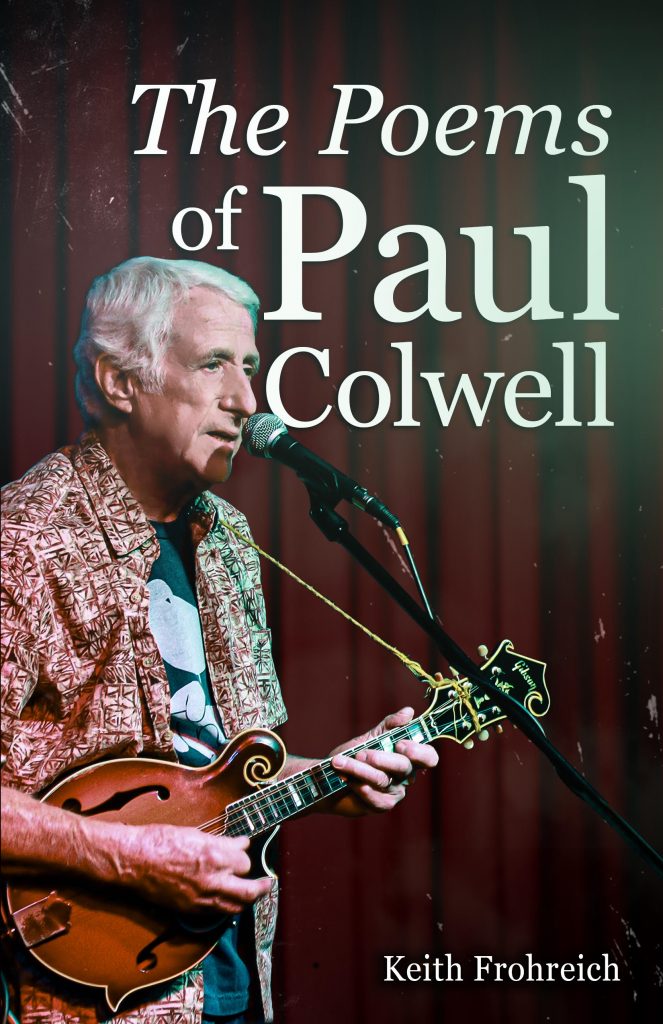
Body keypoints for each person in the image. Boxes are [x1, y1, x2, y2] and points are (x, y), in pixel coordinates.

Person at [0, 257, 438, 1024]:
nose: (247, 401)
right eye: (213, 365)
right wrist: (134, 857)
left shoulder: (228, 538)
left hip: (233, 977)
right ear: (118, 381)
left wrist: (335, 777)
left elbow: (217, 774)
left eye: (250, 368)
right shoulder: (25, 538)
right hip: (81, 998)